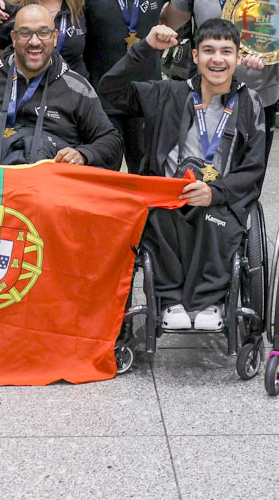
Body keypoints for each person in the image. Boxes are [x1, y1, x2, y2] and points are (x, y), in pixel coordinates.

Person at [99, 19, 266, 331]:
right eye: (209, 51)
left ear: (238, 57)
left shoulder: (249, 102)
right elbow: (109, 91)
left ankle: (210, 302)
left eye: (226, 51)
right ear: (195, 56)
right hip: (168, 196)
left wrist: (215, 193)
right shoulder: (168, 93)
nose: (217, 59)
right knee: (160, 219)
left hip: (220, 198)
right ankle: (171, 301)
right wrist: (145, 48)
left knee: (212, 218)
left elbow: (253, 168)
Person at [160, 0, 279, 160]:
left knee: (253, 172)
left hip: (260, 95)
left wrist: (269, 51)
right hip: (208, 96)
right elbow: (168, 25)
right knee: (206, 168)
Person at [0, 4, 121, 168]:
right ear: (13, 38)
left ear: (55, 37)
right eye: (25, 33)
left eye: (43, 33)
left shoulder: (77, 87)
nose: (34, 42)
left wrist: (83, 155)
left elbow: (111, 141)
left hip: (50, 187)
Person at [77, 0, 177, 172]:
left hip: (145, 99)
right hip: (101, 101)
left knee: (144, 174)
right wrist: (4, 4)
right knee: (102, 175)